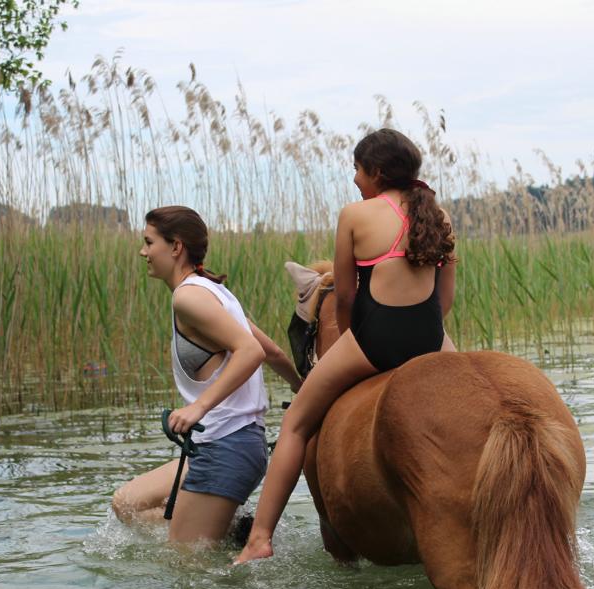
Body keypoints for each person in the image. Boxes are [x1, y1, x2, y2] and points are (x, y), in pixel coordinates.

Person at [234, 128, 457, 564]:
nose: (354, 179)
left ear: (375, 171)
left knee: (296, 424)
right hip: (430, 338)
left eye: (357, 169)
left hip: (376, 339)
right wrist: (425, 335)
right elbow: (443, 301)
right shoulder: (440, 215)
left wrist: (357, 339)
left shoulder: (354, 214)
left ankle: (259, 539)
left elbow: (347, 298)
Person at [111, 205, 302, 544]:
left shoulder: (189, 297)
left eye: (149, 242)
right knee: (127, 503)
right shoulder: (213, 292)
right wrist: (302, 388)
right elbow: (273, 351)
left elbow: (252, 351)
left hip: (228, 446)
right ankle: (229, 532)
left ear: (176, 247)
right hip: (221, 443)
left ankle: (219, 535)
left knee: (187, 569)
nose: (143, 251)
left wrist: (198, 408)